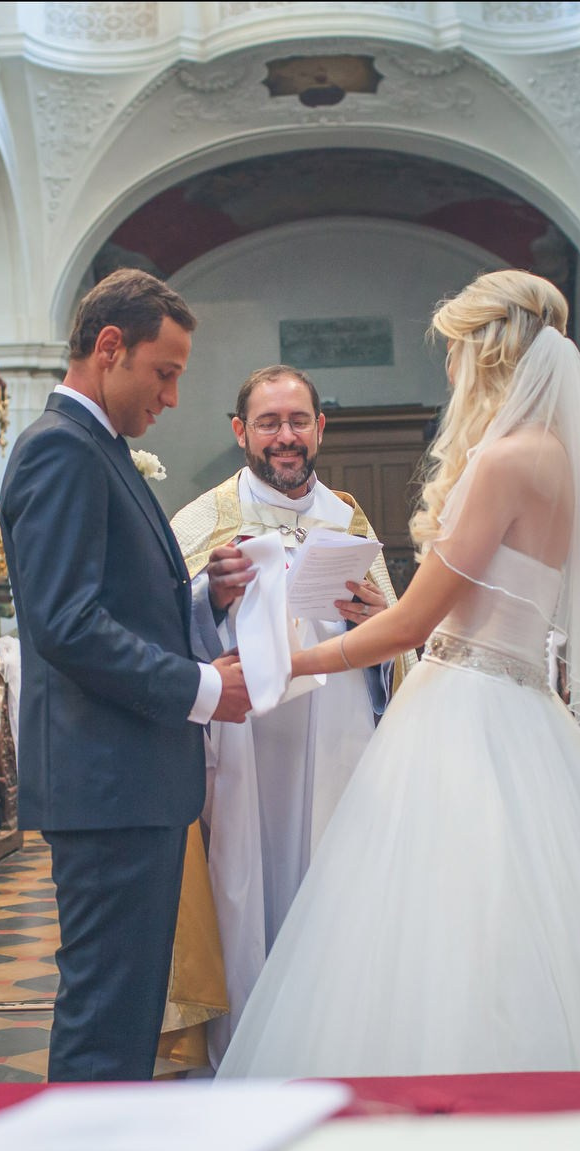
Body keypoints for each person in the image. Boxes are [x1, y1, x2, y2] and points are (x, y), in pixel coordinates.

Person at [216, 270, 580, 1111]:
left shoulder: (502, 462)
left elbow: (406, 629)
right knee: (542, 920)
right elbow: (468, 609)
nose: (452, 370)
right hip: (522, 703)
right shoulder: (563, 461)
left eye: (458, 351)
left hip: (463, 708)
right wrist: (390, 611)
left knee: (446, 921)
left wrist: (286, 665)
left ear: (489, 352)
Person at [0, 267, 251, 1082]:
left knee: (131, 1007)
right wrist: (205, 689)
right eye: (165, 372)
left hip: (128, 777)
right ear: (111, 348)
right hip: (106, 778)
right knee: (108, 1014)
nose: (172, 397)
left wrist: (200, 591)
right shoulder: (59, 452)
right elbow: (66, 623)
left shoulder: (99, 449)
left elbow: (116, 601)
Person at [171, 363, 410, 1060]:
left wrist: (378, 620)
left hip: (339, 736)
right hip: (244, 746)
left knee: (340, 879)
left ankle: (338, 1044)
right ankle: (250, 1051)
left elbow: (393, 644)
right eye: (269, 423)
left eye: (298, 421)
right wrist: (209, 598)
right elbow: (159, 635)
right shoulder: (202, 520)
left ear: (320, 428)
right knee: (246, 887)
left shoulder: (348, 517)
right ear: (241, 432)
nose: (285, 437)